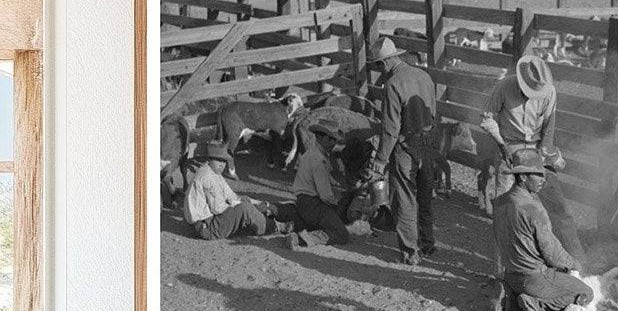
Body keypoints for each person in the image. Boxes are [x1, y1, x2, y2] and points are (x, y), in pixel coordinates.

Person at [482, 54, 585, 262]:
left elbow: (549, 126)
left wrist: (547, 155)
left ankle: (578, 261)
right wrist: (502, 145)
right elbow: (486, 118)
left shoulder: (549, 92)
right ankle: (503, 272)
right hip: (509, 150)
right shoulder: (504, 87)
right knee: (504, 214)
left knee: (558, 208)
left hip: (536, 152)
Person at [491, 148, 592, 311]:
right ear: (523, 177)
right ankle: (536, 305)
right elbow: (552, 253)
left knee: (555, 275)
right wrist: (574, 263)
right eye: (538, 175)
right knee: (585, 293)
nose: (543, 180)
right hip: (534, 277)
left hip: (511, 274)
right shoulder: (534, 209)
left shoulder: (499, 202)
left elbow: (499, 241)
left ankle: (510, 294)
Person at [366, 37, 437, 265]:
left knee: (405, 199)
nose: (378, 70)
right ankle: (427, 243)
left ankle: (410, 251)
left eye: (377, 65)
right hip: (427, 146)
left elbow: (390, 129)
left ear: (384, 63)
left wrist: (380, 159)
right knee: (425, 197)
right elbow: (433, 114)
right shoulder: (424, 76)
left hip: (406, 149)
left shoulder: (392, 84)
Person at [182, 142, 287, 240]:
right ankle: (275, 227)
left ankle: (266, 216)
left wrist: (255, 202)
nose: (222, 165)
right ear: (209, 159)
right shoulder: (207, 177)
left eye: (224, 161)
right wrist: (241, 205)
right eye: (218, 160)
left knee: (244, 203)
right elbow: (218, 208)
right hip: (206, 227)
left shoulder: (214, 173)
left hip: (207, 222)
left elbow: (231, 196)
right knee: (244, 208)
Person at [289, 119, 354, 248]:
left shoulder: (311, 153)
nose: (333, 143)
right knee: (342, 234)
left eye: (334, 140)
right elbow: (325, 196)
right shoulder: (320, 161)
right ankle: (302, 239)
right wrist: (338, 200)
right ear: (320, 137)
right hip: (314, 205)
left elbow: (325, 179)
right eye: (330, 139)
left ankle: (295, 226)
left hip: (303, 201)